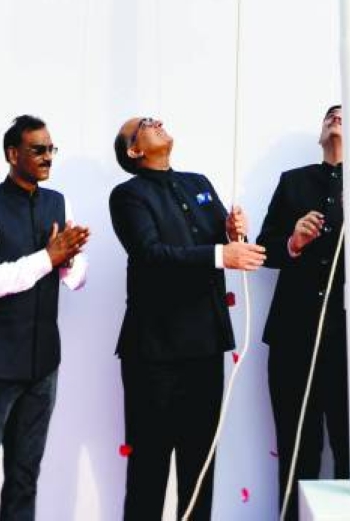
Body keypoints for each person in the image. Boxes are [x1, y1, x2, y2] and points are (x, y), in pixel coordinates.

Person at [109, 116, 266, 521]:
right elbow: (150, 254)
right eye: (145, 123)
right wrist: (220, 254)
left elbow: (222, 243)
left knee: (200, 468)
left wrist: (234, 234)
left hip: (205, 345)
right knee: (150, 467)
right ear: (134, 150)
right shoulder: (127, 195)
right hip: (154, 353)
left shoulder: (198, 183)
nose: (157, 122)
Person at [257, 104, 350, 521]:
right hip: (293, 337)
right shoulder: (292, 182)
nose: (335, 117)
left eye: (344, 113)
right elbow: (265, 249)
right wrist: (292, 242)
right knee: (295, 450)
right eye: (329, 114)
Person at [0, 114, 90, 521]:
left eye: (50, 149)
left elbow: (77, 279)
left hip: (42, 364)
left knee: (26, 475)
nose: (47, 157)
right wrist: (49, 257)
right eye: (37, 150)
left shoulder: (58, 202)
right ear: (12, 154)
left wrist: (67, 262)